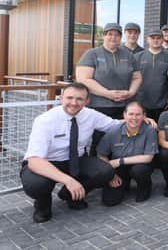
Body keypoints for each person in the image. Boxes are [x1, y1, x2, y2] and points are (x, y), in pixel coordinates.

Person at [20, 83, 119, 222]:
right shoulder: (45, 120)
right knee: (36, 184)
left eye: (79, 99)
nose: (74, 103)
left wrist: (138, 120)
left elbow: (115, 125)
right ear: (61, 98)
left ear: (87, 101)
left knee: (106, 171)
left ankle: (70, 195)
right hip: (47, 162)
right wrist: (68, 180)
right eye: (69, 98)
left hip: (76, 159)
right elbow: (34, 160)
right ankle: (43, 204)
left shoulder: (91, 115)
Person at [76, 23, 142, 153]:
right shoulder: (92, 54)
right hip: (99, 106)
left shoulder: (128, 55)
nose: (113, 37)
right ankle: (98, 169)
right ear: (104, 36)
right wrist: (107, 93)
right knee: (100, 140)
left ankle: (118, 169)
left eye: (117, 35)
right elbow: (83, 78)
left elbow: (137, 77)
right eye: (110, 34)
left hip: (123, 106)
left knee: (122, 140)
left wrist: (131, 92)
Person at [97, 101, 157, 206]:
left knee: (139, 170)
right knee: (110, 201)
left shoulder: (150, 131)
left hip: (140, 165)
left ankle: (144, 187)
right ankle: (125, 184)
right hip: (119, 168)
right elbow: (101, 154)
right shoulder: (113, 131)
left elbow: (148, 157)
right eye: (131, 114)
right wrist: (111, 174)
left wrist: (120, 161)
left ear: (144, 116)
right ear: (124, 115)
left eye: (138, 114)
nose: (134, 118)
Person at [134, 29, 168, 122]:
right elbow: (132, 79)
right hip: (141, 102)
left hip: (163, 103)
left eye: (158, 38)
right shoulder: (137, 57)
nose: (155, 40)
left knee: (161, 131)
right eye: (153, 38)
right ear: (147, 39)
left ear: (162, 40)